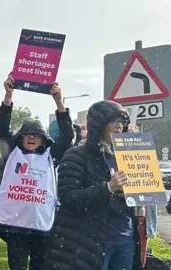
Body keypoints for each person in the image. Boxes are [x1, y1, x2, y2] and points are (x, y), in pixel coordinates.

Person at [42, 100, 142, 270]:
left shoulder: (128, 155)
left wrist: (147, 186)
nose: (119, 126)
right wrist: (108, 187)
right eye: (114, 121)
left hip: (126, 237)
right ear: (99, 124)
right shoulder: (76, 155)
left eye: (122, 122)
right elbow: (67, 197)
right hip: (91, 238)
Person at [0, 75, 73, 270]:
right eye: (27, 134)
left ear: (44, 139)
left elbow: (67, 136)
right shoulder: (11, 152)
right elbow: (1, 128)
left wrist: (59, 102)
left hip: (40, 225)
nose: (31, 138)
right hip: (16, 225)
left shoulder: (51, 155)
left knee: (40, 265)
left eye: (36, 135)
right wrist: (8, 96)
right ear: (20, 137)